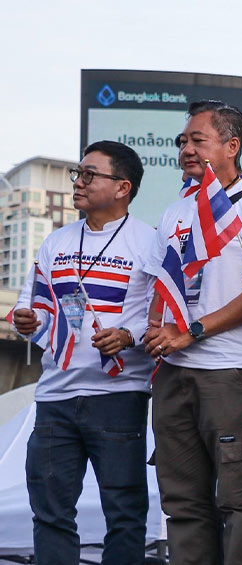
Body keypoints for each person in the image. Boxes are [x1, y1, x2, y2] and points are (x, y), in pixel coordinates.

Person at [143, 100, 242, 565]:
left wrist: (193, 331)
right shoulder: (176, 210)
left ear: (232, 145)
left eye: (197, 140)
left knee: (238, 500)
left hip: (232, 370)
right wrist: (156, 329)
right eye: (182, 141)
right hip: (173, 371)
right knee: (181, 500)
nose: (186, 148)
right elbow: (162, 285)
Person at [13, 141, 155, 564]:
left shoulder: (149, 241)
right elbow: (34, 306)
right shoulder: (55, 242)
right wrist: (27, 320)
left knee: (125, 513)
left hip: (118, 395)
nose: (78, 182)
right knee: (50, 513)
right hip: (54, 397)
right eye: (78, 173)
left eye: (90, 175)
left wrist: (127, 335)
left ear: (123, 187)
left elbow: (163, 313)